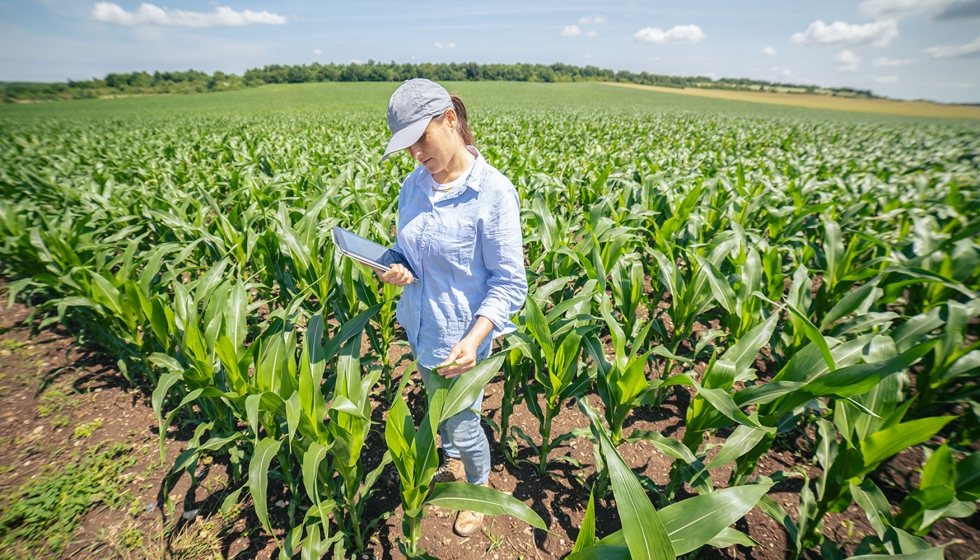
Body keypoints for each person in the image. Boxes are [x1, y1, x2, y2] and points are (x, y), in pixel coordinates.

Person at [376, 78, 527, 537]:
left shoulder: (493, 194)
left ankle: (478, 491)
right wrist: (396, 269)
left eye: (422, 139)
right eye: (407, 147)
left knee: (462, 423)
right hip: (421, 328)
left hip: (461, 342)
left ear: (450, 119)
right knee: (441, 415)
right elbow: (411, 252)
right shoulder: (414, 185)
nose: (417, 154)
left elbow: (509, 283)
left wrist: (475, 339)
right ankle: (455, 463)